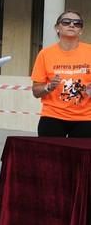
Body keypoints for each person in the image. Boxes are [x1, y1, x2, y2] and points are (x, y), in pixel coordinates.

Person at [31, 10, 91, 138]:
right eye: (66, 22)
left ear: (81, 30)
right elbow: (36, 91)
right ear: (57, 28)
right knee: (50, 157)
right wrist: (49, 87)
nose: (72, 25)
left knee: (82, 158)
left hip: (85, 117)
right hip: (53, 116)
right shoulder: (45, 54)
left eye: (77, 23)